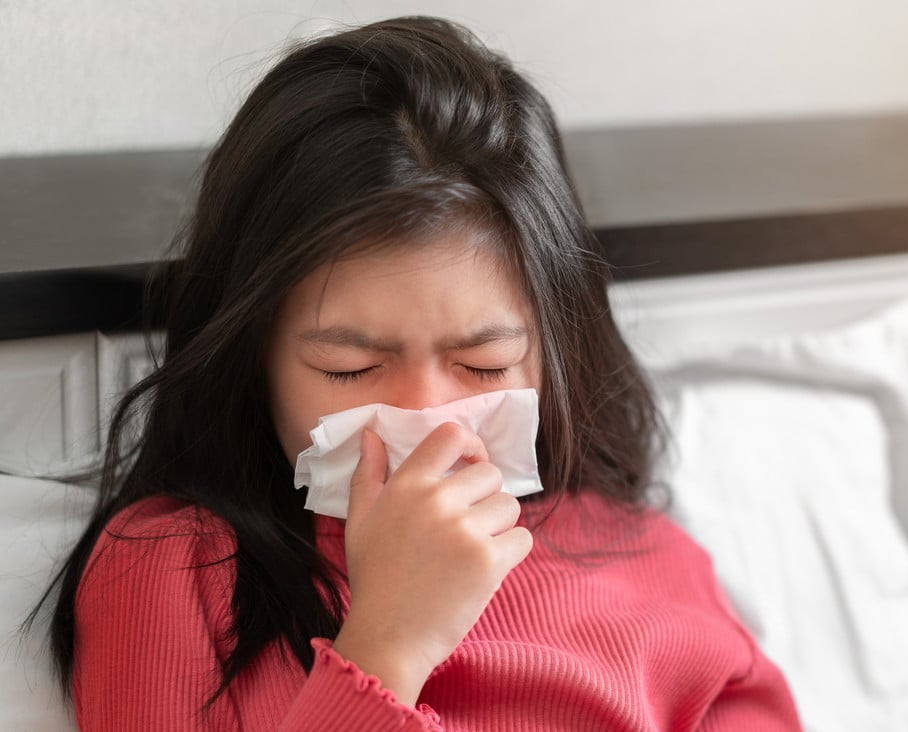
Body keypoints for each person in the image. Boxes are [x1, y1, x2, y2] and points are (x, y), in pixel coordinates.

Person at [42, 15, 801, 731]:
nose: (428, 420)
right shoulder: (172, 570)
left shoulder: (647, 555)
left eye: (483, 364)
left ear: (551, 352)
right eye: (351, 367)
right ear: (252, 358)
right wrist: (386, 649)